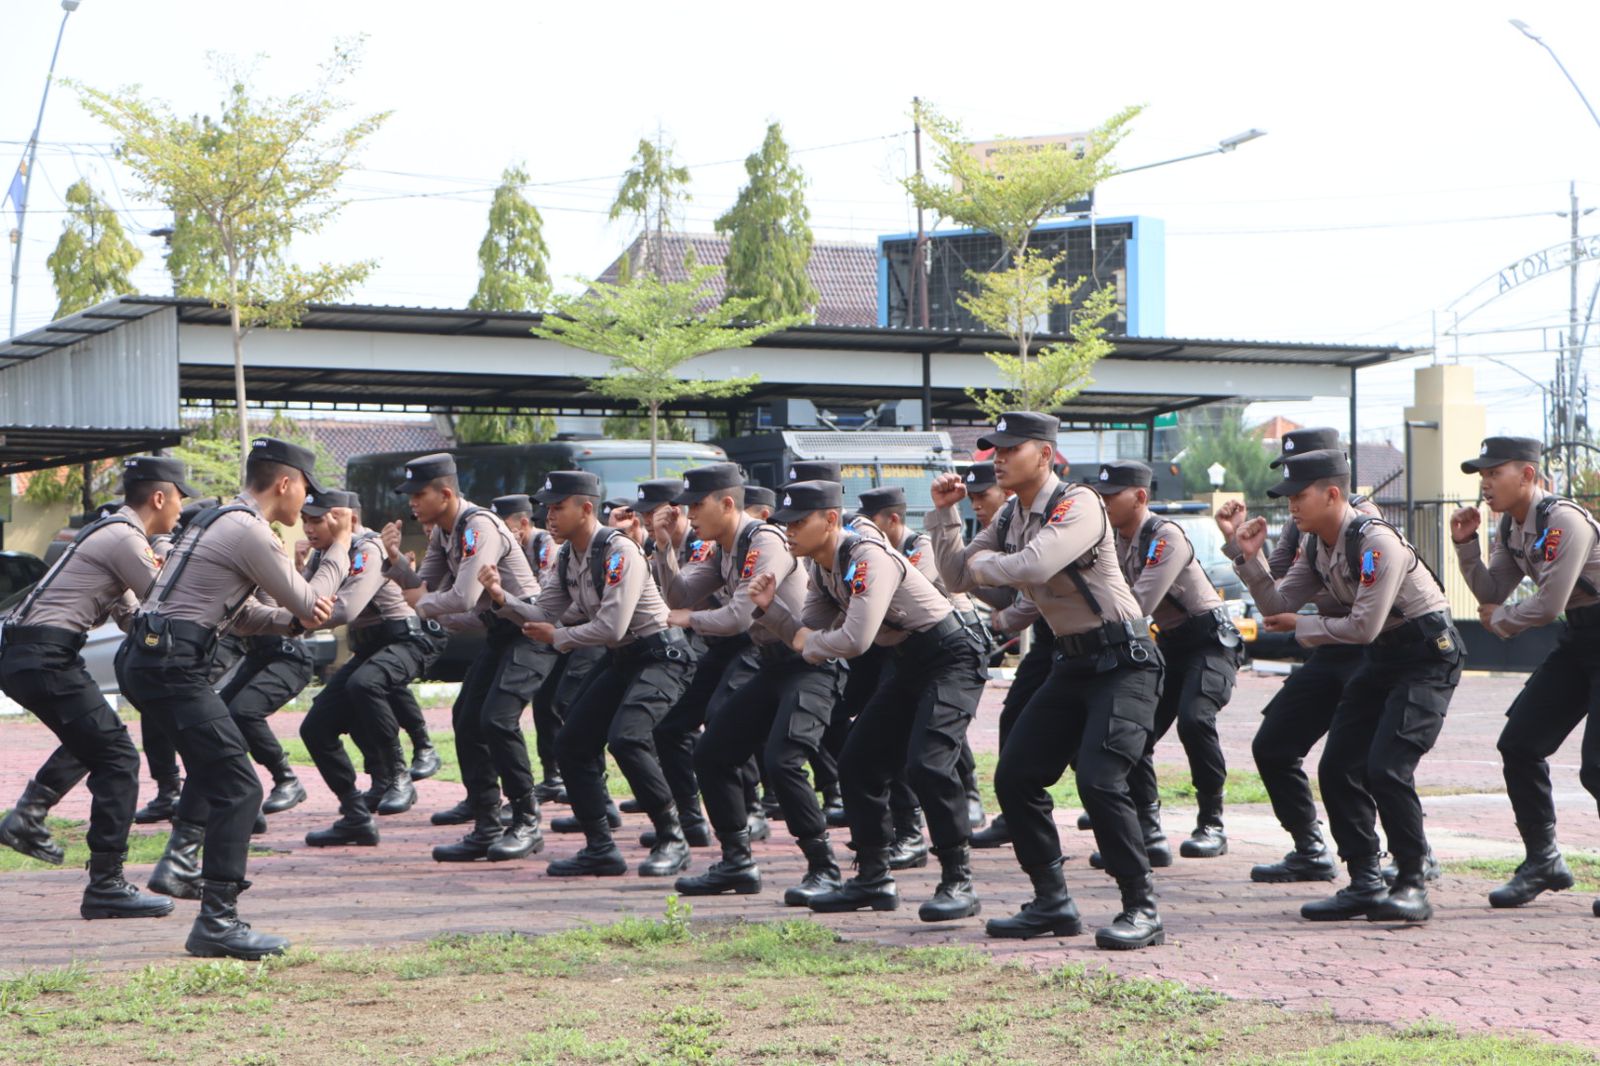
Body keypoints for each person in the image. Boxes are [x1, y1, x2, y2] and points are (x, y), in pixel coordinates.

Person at [927, 412, 1167, 950]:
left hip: (1124, 660)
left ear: (1043, 453)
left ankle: (1141, 907)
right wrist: (944, 518)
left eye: (1010, 449)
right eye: (995, 451)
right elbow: (959, 576)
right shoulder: (1012, 514)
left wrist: (989, 561)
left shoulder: (1077, 503)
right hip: (1071, 661)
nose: (999, 459)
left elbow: (1035, 567)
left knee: (1101, 780)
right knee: (1015, 776)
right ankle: (1052, 902)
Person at [119, 437, 344, 959]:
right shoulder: (250, 530)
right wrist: (340, 545)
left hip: (152, 660)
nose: (305, 503)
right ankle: (217, 922)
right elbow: (316, 606)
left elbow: (237, 614)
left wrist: (286, 621)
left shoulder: (217, 521)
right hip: (173, 667)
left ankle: (183, 871)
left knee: (218, 773)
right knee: (240, 788)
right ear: (285, 483)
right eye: (304, 490)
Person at [1226, 448, 1462, 923]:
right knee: (1338, 768)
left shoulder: (1376, 543)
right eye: (1288, 496)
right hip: (1381, 659)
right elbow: (1277, 602)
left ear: (1332, 493)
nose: (1291, 505)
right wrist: (1245, 558)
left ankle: (1412, 882)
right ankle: (1365, 882)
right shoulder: (1317, 545)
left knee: (1387, 768)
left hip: (1423, 656)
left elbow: (1362, 627)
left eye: (1299, 495)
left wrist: (1301, 625)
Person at [760, 480, 988, 923]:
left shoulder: (865, 555)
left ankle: (958, 880)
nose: (787, 531)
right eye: (784, 522)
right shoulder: (822, 568)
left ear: (830, 520)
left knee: (929, 764)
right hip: (908, 662)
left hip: (951, 656)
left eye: (797, 522)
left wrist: (805, 638)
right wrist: (772, 610)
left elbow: (853, 639)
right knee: (858, 761)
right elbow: (804, 632)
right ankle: (873, 878)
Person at [0, 457, 191, 919]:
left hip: (33, 655)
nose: (182, 512)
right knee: (119, 756)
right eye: (181, 500)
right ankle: (105, 884)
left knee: (96, 741)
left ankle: (29, 815)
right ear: (160, 498)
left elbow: (135, 617)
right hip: (44, 655)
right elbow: (166, 603)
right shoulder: (125, 538)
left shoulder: (113, 537)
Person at [486, 471, 697, 878]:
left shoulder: (619, 551)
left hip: (661, 655)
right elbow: (544, 612)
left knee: (628, 738)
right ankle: (600, 848)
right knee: (572, 742)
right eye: (547, 507)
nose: (549, 515)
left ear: (586, 508)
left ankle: (673, 837)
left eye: (557, 506)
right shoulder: (569, 555)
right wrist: (502, 599)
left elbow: (612, 626)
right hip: (623, 659)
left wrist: (559, 636)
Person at [665, 465, 839, 903]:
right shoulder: (723, 547)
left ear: (727, 503)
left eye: (696, 505)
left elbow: (737, 617)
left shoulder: (764, 541)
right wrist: (664, 547)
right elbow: (678, 595)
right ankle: (737, 863)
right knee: (713, 754)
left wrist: (689, 620)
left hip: (810, 664)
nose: (689, 514)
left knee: (783, 762)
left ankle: (825, 869)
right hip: (772, 665)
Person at [1224, 427, 1382, 884]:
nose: (1292, 491)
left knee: (1368, 763)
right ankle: (1310, 847)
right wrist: (1239, 545)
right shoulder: (1303, 524)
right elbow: (1277, 591)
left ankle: (1410, 852)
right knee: (1273, 745)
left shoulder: (1362, 522)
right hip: (1329, 646)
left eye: (1301, 478)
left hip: (1371, 651)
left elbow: (1368, 613)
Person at [1452, 436, 1600, 913]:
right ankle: (1544, 860)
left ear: (1528, 475)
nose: (1485, 483)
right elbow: (1492, 588)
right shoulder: (1512, 529)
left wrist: (1502, 622)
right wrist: (1464, 545)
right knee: (1520, 743)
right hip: (1579, 639)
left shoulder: (1563, 520)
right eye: (1482, 474)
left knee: (1597, 767)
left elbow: (1549, 601)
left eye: (1495, 473)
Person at [386, 453, 546, 863]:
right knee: (466, 717)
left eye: (419, 494)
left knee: (497, 719)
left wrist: (420, 602)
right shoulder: (445, 530)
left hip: (530, 630)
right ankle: (486, 823)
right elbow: (425, 586)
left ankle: (527, 820)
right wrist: (395, 564)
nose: (412, 503)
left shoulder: (478, 526)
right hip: (499, 632)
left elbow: (462, 597)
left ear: (445, 493)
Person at [1089, 461, 1241, 867]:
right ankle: (1148, 831)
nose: (1102, 504)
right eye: (1099, 496)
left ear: (1140, 497)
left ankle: (1212, 823)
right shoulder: (1114, 541)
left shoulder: (1165, 536)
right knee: (1134, 729)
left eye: (1110, 496)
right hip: (1170, 644)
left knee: (1195, 719)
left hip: (1210, 643)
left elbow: (1138, 605)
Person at [278, 490, 448, 847]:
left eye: (317, 519)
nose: (308, 527)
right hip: (369, 647)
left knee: (365, 685)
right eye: (305, 519)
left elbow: (345, 610)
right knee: (316, 727)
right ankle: (355, 813)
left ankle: (398, 775)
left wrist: (295, 619)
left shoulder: (366, 549)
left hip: (405, 640)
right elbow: (304, 597)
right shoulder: (325, 554)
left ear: (346, 520)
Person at [856, 485, 989, 834]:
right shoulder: (876, 552)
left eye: (870, 522)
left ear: (893, 519)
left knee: (941, 725)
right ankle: (905, 817)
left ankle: (970, 794)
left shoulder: (918, 547)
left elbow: (915, 588)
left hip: (952, 637)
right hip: (907, 644)